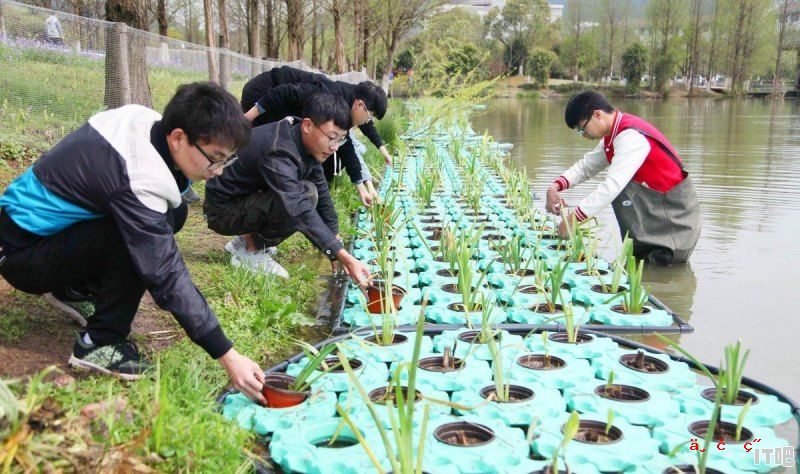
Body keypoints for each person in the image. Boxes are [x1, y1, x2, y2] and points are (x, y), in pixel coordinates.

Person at [0, 83, 269, 404]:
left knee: (173, 213)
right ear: (179, 137)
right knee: (142, 237)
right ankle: (99, 342)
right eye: (215, 159)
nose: (220, 170)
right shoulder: (139, 176)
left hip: (41, 236)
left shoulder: (144, 120)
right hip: (22, 254)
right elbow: (166, 274)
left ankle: (72, 288)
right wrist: (226, 353)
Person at [204, 93, 373, 283]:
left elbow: (322, 190)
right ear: (308, 125)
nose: (334, 147)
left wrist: (335, 239)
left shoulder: (301, 138)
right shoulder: (279, 152)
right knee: (305, 195)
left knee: (312, 190)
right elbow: (299, 208)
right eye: (332, 138)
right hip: (222, 212)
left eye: (340, 140)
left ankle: (242, 243)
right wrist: (342, 256)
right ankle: (251, 253)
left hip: (243, 199)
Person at [545, 91, 700, 265]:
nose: (584, 135)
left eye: (582, 128)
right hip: (653, 215)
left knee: (659, 272)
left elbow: (612, 186)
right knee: (641, 265)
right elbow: (586, 167)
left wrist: (572, 220)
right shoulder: (614, 135)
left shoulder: (630, 137)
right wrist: (555, 187)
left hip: (672, 222)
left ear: (597, 115)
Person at [240, 66, 391, 204]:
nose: (367, 122)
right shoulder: (329, 95)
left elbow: (347, 147)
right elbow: (284, 92)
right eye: (370, 117)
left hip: (285, 102)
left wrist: (361, 187)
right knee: (272, 141)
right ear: (359, 106)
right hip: (263, 93)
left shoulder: (350, 104)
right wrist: (245, 120)